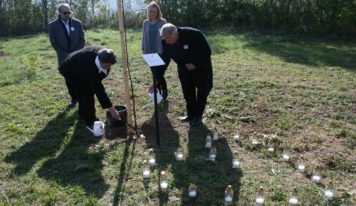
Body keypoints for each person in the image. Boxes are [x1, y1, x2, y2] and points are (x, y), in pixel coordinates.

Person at [160, 23, 213, 127]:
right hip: (183, 67)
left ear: (175, 34)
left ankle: (198, 116)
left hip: (201, 67)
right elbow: (165, 60)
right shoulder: (165, 41)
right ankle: (190, 114)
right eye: (164, 38)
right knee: (188, 91)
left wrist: (195, 64)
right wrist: (158, 76)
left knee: (202, 91)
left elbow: (207, 52)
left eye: (168, 38)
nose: (166, 41)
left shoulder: (194, 34)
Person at [59, 46, 121, 130]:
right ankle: (90, 121)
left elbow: (98, 81)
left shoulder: (107, 56)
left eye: (110, 65)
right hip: (70, 68)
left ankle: (82, 113)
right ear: (100, 60)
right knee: (86, 95)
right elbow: (99, 90)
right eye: (106, 65)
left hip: (81, 66)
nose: (108, 67)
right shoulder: (90, 66)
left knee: (86, 92)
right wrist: (112, 110)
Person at [48, 3, 85, 106]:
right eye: (65, 13)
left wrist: (75, 52)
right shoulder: (52, 25)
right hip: (63, 58)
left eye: (69, 12)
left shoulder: (77, 23)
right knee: (69, 80)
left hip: (77, 56)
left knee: (80, 78)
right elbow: (54, 43)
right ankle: (74, 98)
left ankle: (82, 96)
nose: (68, 14)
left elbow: (82, 40)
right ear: (59, 13)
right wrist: (66, 54)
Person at [141, 1, 168, 99]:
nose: (152, 13)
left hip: (160, 52)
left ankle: (164, 90)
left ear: (158, 12)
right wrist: (143, 50)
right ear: (147, 12)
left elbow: (166, 37)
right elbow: (144, 37)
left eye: (154, 12)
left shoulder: (163, 22)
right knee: (154, 74)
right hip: (149, 53)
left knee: (159, 74)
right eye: (150, 11)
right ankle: (158, 92)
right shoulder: (146, 23)